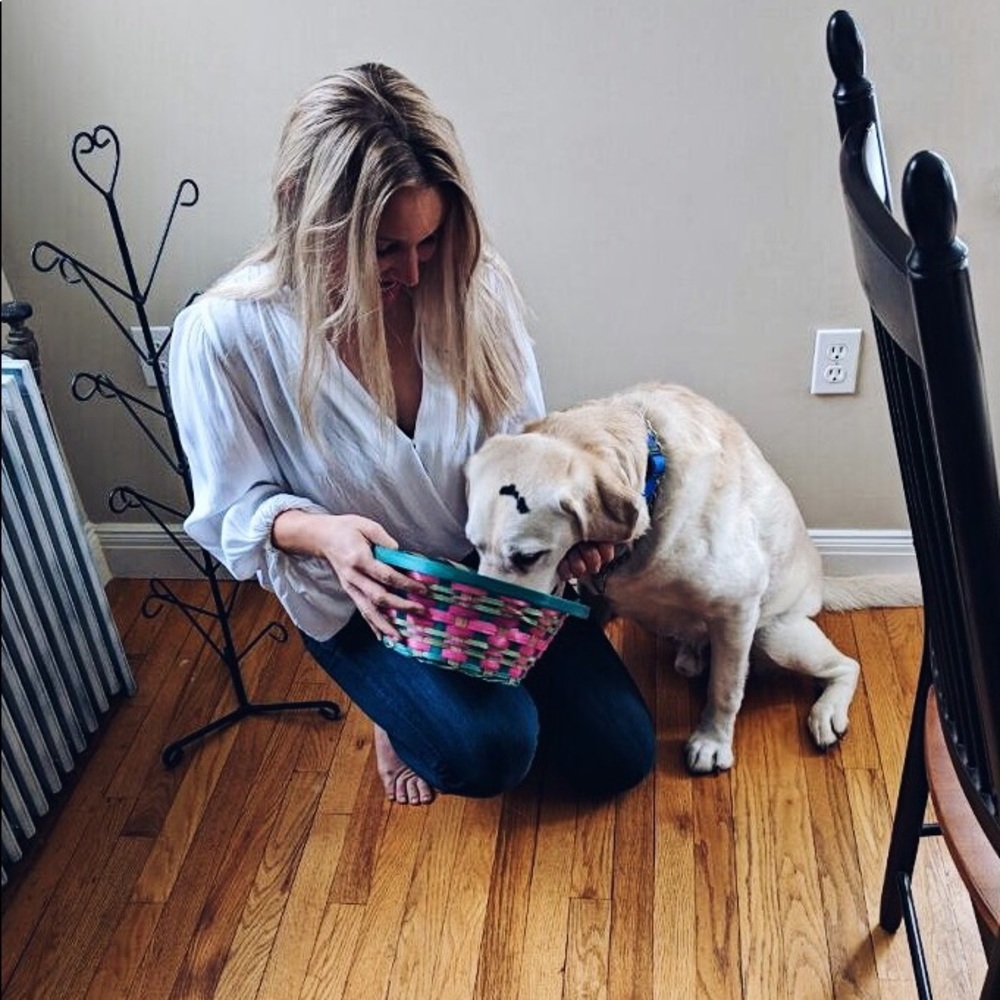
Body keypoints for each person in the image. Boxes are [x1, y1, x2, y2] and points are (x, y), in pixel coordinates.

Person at [169, 63, 654, 805]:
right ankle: (395, 711)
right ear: (306, 211)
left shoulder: (467, 285)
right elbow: (233, 510)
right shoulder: (226, 336)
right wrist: (324, 535)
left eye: (428, 241)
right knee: (491, 753)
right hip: (371, 596)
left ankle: (454, 696)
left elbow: (525, 448)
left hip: (493, 575)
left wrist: (570, 534)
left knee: (619, 757)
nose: (415, 267)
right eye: (386, 248)